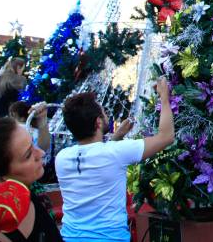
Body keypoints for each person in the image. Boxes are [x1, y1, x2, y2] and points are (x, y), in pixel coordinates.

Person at [55, 79, 174, 242]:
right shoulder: (115, 152)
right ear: (98, 122)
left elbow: (98, 157)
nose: (107, 115)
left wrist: (117, 136)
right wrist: (164, 97)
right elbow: (165, 137)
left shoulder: (62, 157)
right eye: (104, 113)